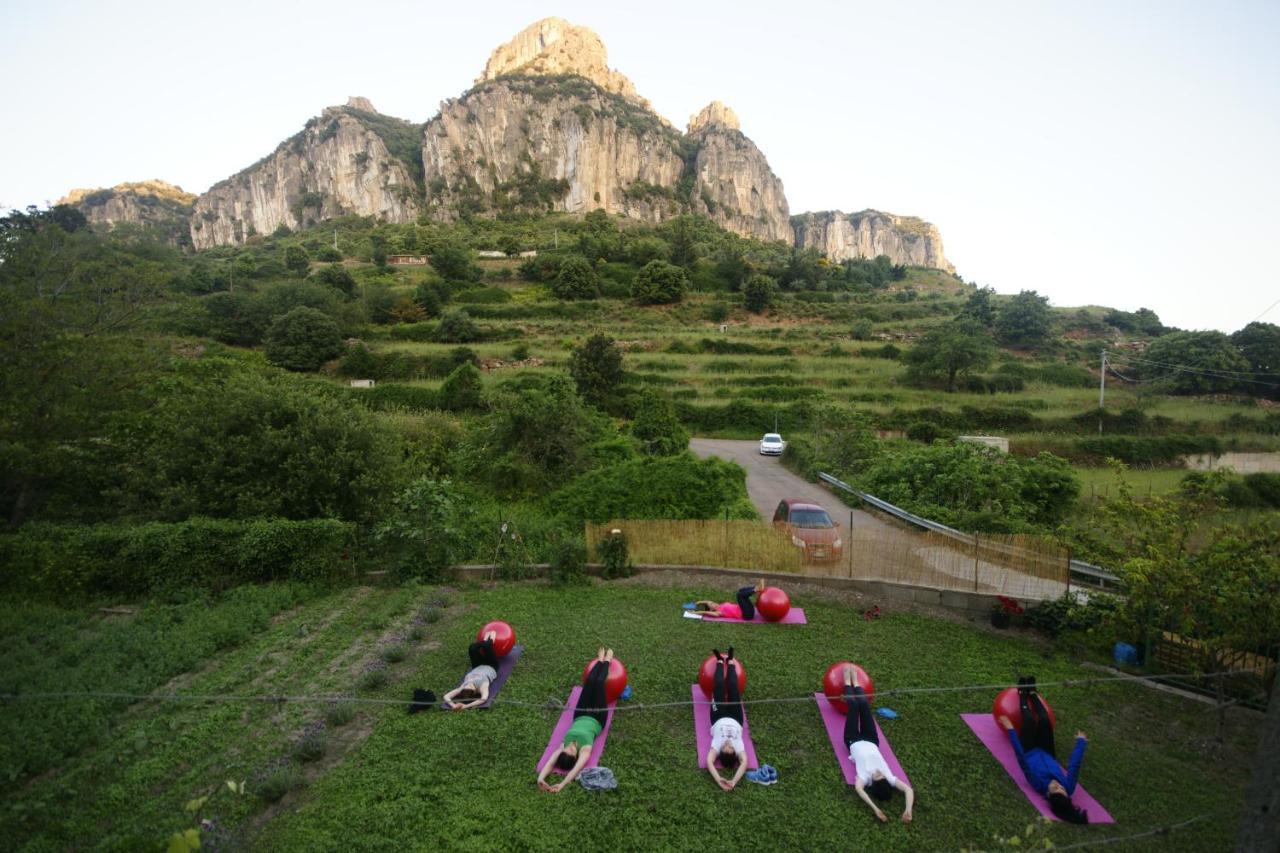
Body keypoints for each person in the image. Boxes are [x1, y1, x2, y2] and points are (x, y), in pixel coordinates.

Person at [999, 676, 1089, 824]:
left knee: (1029, 720)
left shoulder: (1037, 783)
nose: (1059, 784)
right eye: (1062, 788)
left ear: (1049, 794)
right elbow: (1074, 767)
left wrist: (1011, 729)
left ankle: (1022, 693)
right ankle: (1033, 693)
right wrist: (1081, 743)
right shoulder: (1069, 788)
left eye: (1055, 787)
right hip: (1047, 752)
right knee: (1045, 719)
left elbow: (1021, 759)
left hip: (1028, 750)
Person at [842, 665, 914, 823]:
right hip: (871, 739)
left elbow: (859, 790)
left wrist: (875, 809)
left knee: (854, 706)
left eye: (877, 776)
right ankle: (857, 684)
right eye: (881, 775)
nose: (878, 773)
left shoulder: (864, 778)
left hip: (852, 739)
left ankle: (847, 682)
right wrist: (908, 810)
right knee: (864, 704)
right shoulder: (889, 778)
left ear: (873, 783)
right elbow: (908, 790)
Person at [537, 648, 614, 793]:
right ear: (575, 756)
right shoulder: (585, 750)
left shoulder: (562, 747)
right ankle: (607, 660)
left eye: (566, 749)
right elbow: (576, 769)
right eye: (572, 751)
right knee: (598, 683)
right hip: (597, 718)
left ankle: (599, 660)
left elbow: (549, 764)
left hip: (580, 714)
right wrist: (562, 784)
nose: (570, 747)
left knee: (590, 681)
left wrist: (540, 779)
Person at [705, 648, 748, 791]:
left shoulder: (716, 746)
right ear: (734, 753)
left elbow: (710, 762)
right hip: (736, 718)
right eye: (731, 748)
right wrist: (734, 780)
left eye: (726, 747)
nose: (728, 744)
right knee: (733, 687)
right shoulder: (739, 748)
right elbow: (744, 763)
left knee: (718, 687)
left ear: (721, 750)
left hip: (718, 717)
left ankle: (718, 661)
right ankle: (730, 661)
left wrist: (719, 780)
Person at [442, 630, 500, 710]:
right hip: (491, 665)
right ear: (475, 691)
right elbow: (483, 699)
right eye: (470, 686)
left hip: (477, 666)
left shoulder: (462, 688)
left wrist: (453, 705)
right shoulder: (482, 686)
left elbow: (446, 696)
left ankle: (484, 641)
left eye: (466, 685)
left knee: (472, 648)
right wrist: (466, 706)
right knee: (486, 646)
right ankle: (488, 641)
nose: (468, 684)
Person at [693, 578, 766, 619]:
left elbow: (708, 601)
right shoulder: (718, 612)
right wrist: (695, 612)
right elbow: (705, 612)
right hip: (747, 615)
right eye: (711, 605)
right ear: (712, 609)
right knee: (739, 595)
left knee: (740, 591)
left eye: (712, 602)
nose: (713, 603)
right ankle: (756, 589)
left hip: (748, 610)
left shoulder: (721, 605)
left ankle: (757, 588)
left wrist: (699, 602)